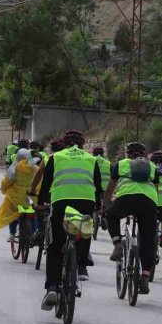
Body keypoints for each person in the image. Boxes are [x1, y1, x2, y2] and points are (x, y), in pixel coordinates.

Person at [37, 130, 102, 307]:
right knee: (85, 229)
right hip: (85, 202)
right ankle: (81, 265)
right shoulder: (91, 159)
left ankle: (52, 287)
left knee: (55, 245)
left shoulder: (56, 158)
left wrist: (41, 202)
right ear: (82, 145)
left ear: (64, 144)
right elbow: (97, 185)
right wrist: (98, 204)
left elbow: (46, 184)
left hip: (61, 202)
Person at [104, 142, 159, 295]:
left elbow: (111, 186)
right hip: (148, 202)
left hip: (126, 199)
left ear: (128, 154)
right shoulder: (152, 166)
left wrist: (106, 204)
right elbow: (156, 188)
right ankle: (145, 277)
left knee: (111, 215)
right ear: (144, 154)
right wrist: (155, 207)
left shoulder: (120, 164)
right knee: (148, 240)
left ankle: (117, 245)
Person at [0, 148, 40, 243]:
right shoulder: (35, 168)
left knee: (12, 213)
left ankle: (12, 234)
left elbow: (6, 182)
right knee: (33, 215)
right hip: (31, 198)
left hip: (16, 199)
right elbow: (40, 183)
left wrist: (3, 190)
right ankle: (34, 233)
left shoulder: (14, 168)